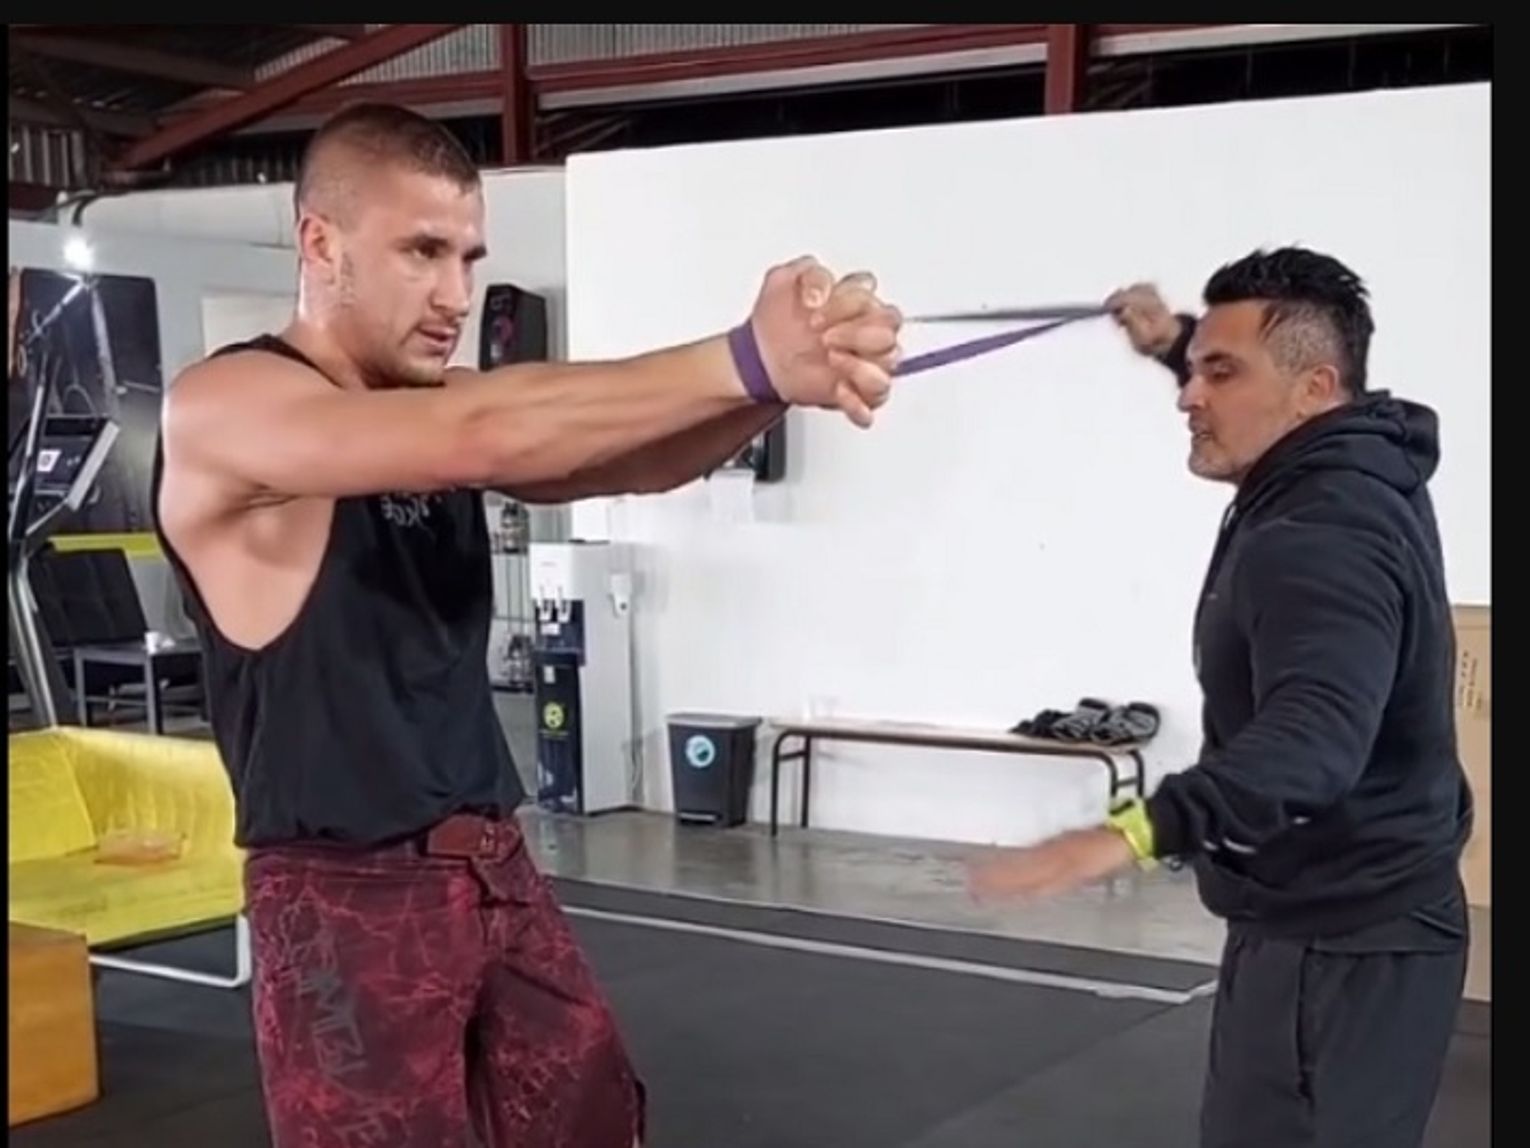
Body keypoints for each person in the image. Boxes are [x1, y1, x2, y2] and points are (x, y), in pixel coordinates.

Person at [152, 101, 903, 1148]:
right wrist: (745, 353)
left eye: (469, 257)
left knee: (592, 1117)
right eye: (422, 252)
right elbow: (480, 433)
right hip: (343, 894)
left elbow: (631, 460)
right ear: (320, 245)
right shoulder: (226, 406)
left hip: (489, 862)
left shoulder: (437, 402)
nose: (456, 295)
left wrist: (777, 388)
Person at [968, 247, 1473, 1147]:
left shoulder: (1320, 533)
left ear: (1316, 388)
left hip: (1338, 945)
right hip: (1350, 913)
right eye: (1194, 368)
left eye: (1219, 372)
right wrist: (1173, 341)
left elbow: (1311, 742)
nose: (1188, 396)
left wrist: (1128, 833)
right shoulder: (1357, 458)